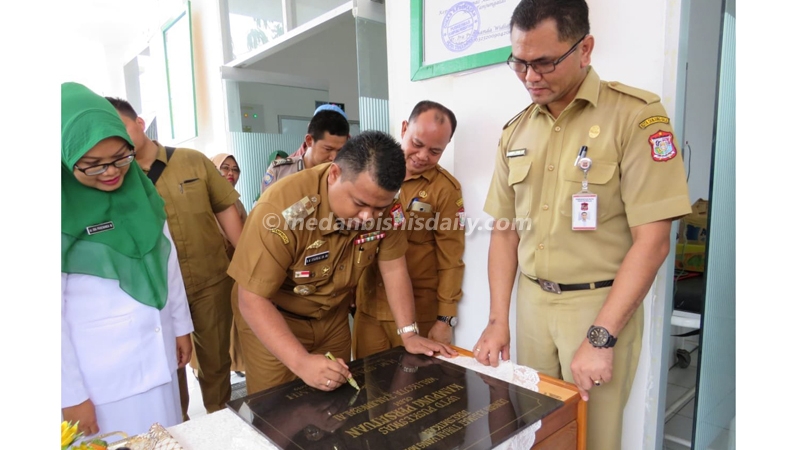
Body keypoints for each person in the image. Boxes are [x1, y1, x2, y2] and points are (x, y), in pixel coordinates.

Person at [472, 1, 692, 448]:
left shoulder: (634, 116)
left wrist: (601, 336)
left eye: (544, 62)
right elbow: (505, 231)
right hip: (532, 303)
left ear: (585, 48)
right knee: (539, 430)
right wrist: (498, 319)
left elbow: (652, 241)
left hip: (597, 305)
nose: (530, 76)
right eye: (519, 62)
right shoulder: (515, 132)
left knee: (594, 437)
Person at [228, 130, 458, 395]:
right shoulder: (281, 209)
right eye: (359, 203)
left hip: (332, 316)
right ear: (335, 174)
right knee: (277, 406)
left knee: (336, 402)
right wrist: (301, 362)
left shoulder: (388, 210)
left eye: (378, 208)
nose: (367, 217)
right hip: (275, 315)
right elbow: (252, 299)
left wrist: (408, 333)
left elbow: (394, 267)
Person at [61, 82, 194, 437]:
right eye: (92, 165)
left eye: (121, 157)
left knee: (168, 437)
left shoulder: (140, 193)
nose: (110, 172)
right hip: (102, 382)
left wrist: (180, 326)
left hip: (159, 350)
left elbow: (168, 263)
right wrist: (70, 394)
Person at [106, 97, 243, 418]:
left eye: (122, 127)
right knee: (169, 367)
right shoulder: (115, 179)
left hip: (210, 282)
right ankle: (179, 426)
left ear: (139, 123)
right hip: (158, 293)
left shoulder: (192, 161)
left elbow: (226, 211)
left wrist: (249, 265)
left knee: (216, 363)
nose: (118, 138)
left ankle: (219, 420)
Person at [353, 101, 465, 358]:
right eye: (417, 143)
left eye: (435, 151)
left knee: (412, 392)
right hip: (368, 307)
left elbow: (451, 259)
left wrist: (445, 320)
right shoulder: (369, 173)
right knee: (366, 390)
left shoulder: (445, 189)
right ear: (404, 128)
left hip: (417, 313)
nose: (423, 155)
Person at [261, 105, 350, 193]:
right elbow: (265, 206)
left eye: (340, 150)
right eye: (328, 149)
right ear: (309, 140)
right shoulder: (280, 171)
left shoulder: (345, 175)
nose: (334, 157)